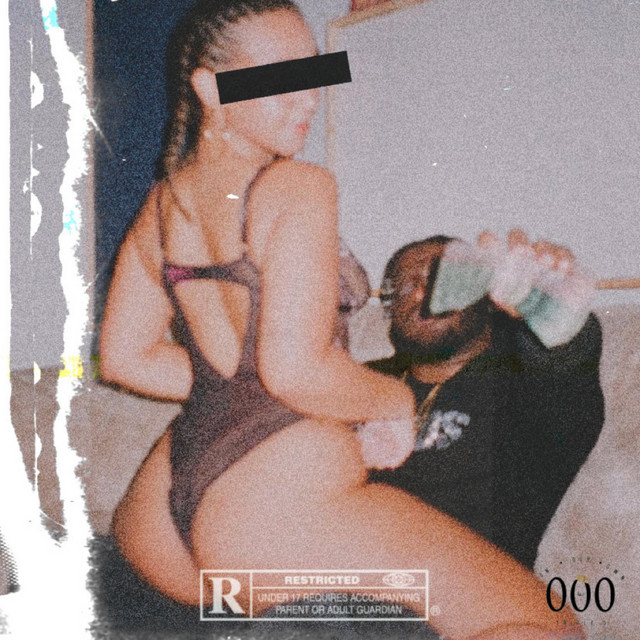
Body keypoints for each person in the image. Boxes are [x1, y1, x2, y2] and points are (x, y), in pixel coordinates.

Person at [99, 1, 584, 637]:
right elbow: (297, 371)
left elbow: (126, 357)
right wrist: (394, 404)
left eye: (314, 73)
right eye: (278, 78)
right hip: (275, 515)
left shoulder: (161, 206)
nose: (309, 97)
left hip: (163, 532)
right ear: (210, 90)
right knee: (550, 626)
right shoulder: (297, 186)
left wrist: (242, 381)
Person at [368, 232, 605, 569]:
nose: (423, 293)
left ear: (488, 297)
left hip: (467, 588)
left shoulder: (521, 383)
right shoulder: (359, 381)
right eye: (406, 287)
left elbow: (565, 358)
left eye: (444, 279)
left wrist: (550, 312)